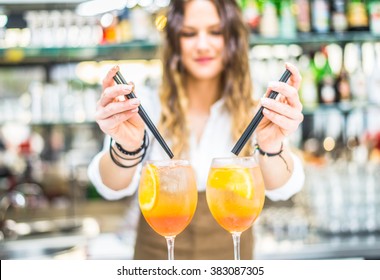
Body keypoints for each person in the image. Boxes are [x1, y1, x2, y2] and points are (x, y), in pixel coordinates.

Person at [88, 0, 305, 260]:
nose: (202, 45)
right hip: (157, 256)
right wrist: (128, 147)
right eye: (189, 33)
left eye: (215, 31)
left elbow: (282, 186)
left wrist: (271, 147)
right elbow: (111, 186)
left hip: (230, 254)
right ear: (175, 41)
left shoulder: (258, 104)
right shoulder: (145, 101)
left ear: (232, 38)